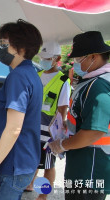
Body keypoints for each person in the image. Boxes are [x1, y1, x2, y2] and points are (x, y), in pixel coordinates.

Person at [0, 19, 43, 200]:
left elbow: (14, 128)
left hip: (12, 165)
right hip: (25, 160)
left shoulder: (18, 76)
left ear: (22, 48)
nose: (0, 48)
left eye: (4, 44)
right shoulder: (31, 73)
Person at [49, 31, 110, 200]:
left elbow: (94, 132)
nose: (76, 63)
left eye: (78, 59)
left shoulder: (99, 87)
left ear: (93, 57)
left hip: (90, 172)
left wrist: (62, 144)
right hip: (84, 166)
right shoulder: (92, 81)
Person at [25, 41, 71, 200]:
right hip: (32, 127)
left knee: (48, 165)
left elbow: (62, 108)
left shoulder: (63, 80)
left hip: (49, 129)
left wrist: (58, 132)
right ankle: (30, 184)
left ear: (57, 58)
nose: (43, 60)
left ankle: (43, 195)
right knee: (32, 160)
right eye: (41, 57)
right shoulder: (37, 75)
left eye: (47, 58)